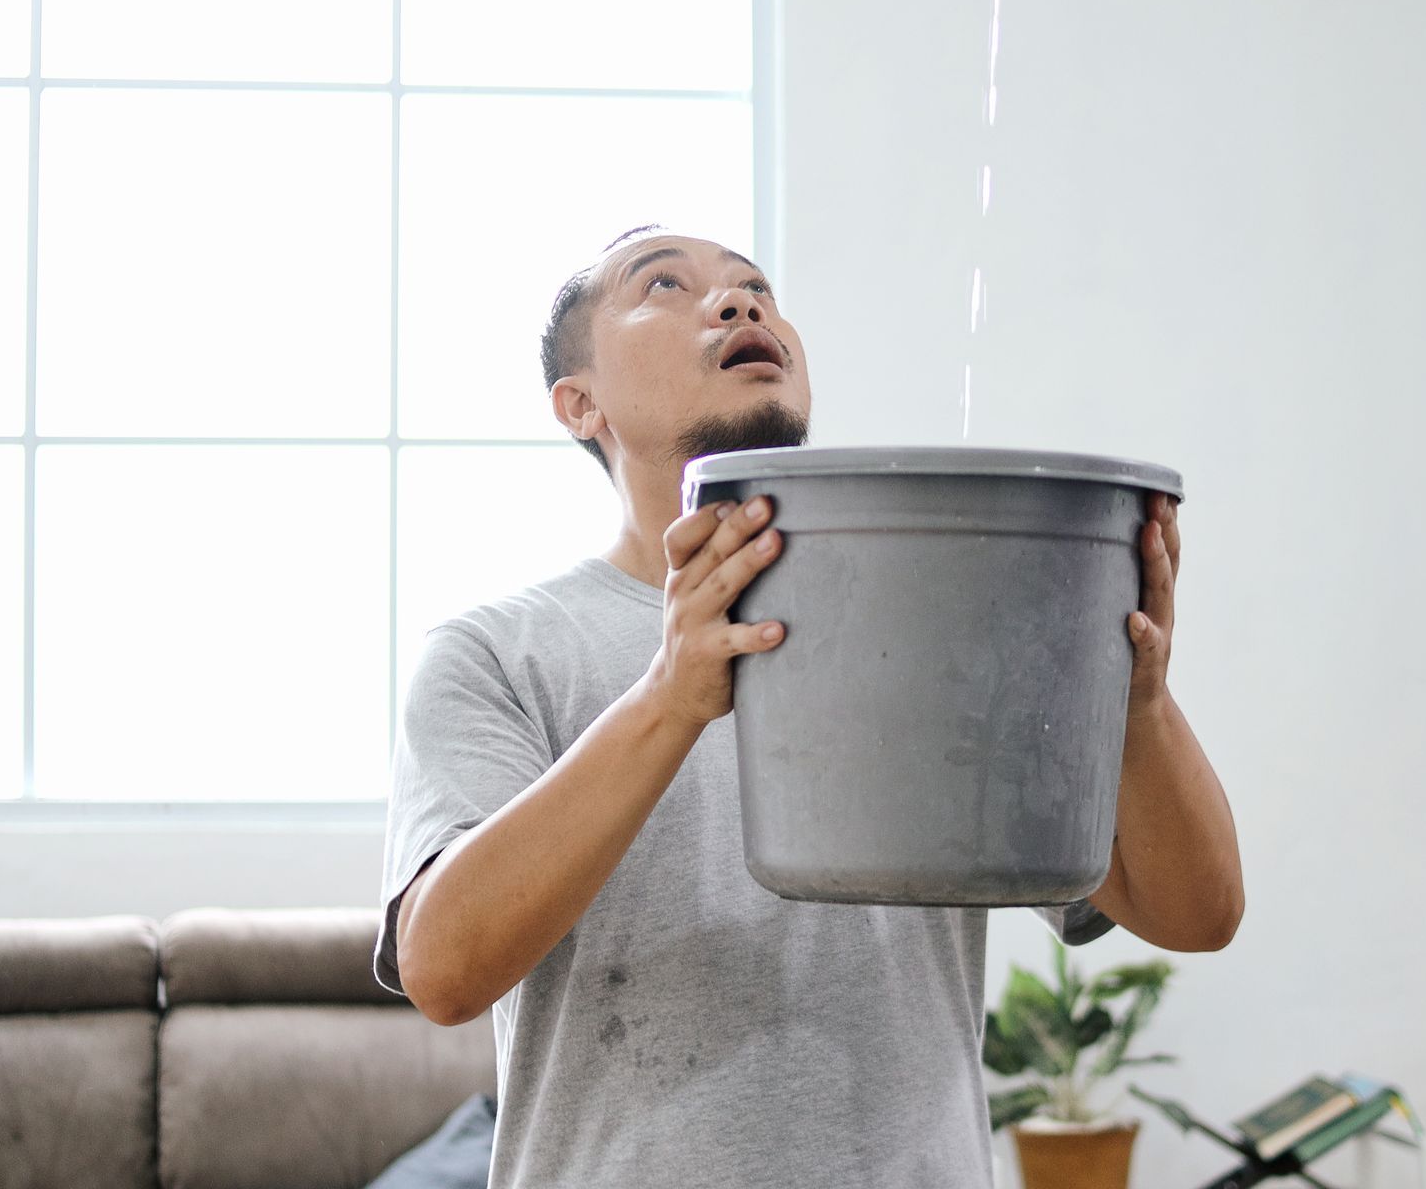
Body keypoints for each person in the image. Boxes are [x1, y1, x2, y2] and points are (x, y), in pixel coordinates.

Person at [373, 224, 1243, 1187]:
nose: (740, 304)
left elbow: (1195, 914)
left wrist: (1141, 699)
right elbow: (444, 971)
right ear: (579, 405)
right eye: (663, 285)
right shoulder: (497, 653)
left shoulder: (933, 622)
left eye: (756, 288)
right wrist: (670, 699)